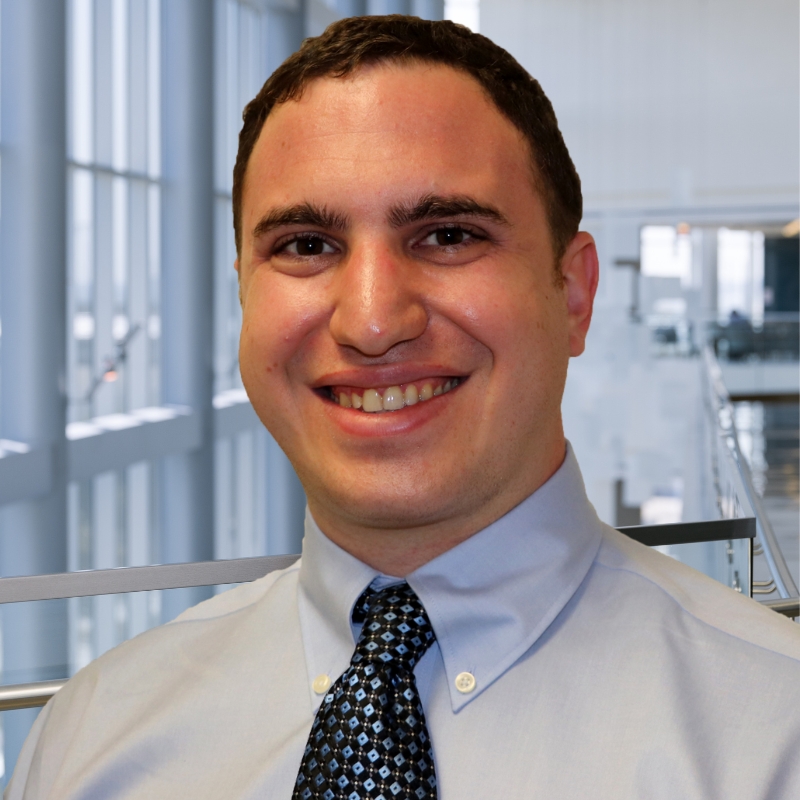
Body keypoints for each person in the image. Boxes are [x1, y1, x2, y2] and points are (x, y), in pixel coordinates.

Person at [8, 15, 800, 800]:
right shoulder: (94, 739)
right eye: (306, 246)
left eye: (447, 235)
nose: (373, 321)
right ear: (244, 295)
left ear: (573, 294)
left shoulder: (771, 737)